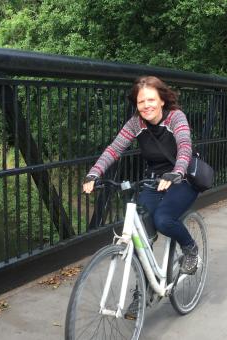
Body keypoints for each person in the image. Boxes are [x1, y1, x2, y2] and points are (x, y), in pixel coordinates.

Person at [83, 75, 199, 276]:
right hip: (153, 179)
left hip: (182, 177)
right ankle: (144, 291)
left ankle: (190, 248)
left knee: (163, 220)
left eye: (151, 100)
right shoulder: (136, 123)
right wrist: (94, 174)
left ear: (162, 100)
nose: (146, 106)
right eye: (141, 102)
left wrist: (177, 172)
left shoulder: (175, 117)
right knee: (141, 234)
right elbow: (114, 149)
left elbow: (184, 146)